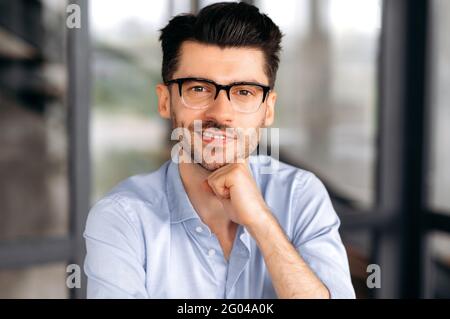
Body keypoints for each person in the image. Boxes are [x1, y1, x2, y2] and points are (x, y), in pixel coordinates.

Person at [84, 1, 355, 299]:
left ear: (268, 109)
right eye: (198, 89)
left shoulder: (301, 195)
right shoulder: (123, 218)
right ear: (165, 101)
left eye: (244, 92)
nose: (221, 113)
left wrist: (261, 222)